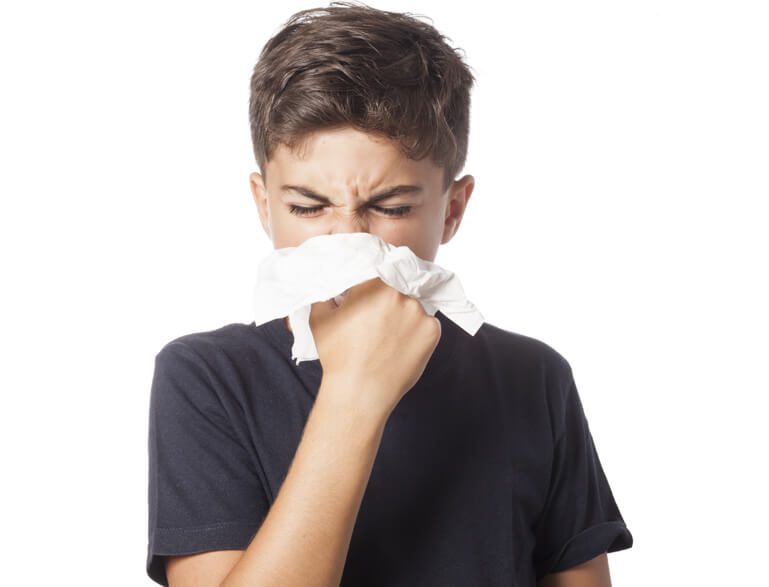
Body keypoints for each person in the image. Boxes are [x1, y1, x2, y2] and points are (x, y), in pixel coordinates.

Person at [146, 2, 633, 585]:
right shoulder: (207, 378)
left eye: (392, 208)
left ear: (451, 210)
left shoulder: (534, 377)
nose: (348, 241)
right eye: (307, 206)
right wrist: (355, 391)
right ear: (264, 204)